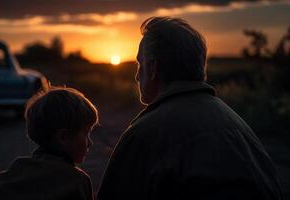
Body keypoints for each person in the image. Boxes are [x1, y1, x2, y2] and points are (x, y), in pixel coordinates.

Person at [97, 17, 283, 200]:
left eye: (140, 64)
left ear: (153, 68)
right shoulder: (238, 125)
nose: (137, 76)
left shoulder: (143, 134)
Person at [0, 86, 99, 200]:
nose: (90, 143)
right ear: (63, 137)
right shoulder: (77, 182)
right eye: (86, 133)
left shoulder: (4, 179)